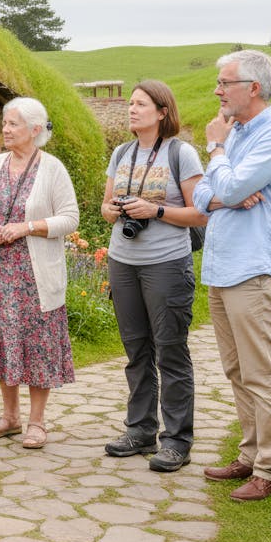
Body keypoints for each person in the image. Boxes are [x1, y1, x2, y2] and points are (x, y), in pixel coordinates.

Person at [192, 49, 271, 502]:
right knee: (237, 370)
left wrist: (217, 152)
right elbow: (204, 192)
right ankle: (250, 452)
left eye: (225, 83)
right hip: (224, 267)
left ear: (252, 89)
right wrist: (223, 193)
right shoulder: (238, 134)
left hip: (255, 269)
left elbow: (232, 184)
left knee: (261, 372)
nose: (217, 91)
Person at [100, 80, 207, 472]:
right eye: (130, 103)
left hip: (166, 264)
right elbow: (104, 207)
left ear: (162, 111)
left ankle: (177, 440)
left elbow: (200, 213)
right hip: (123, 260)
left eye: (141, 104)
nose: (131, 109)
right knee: (136, 350)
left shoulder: (182, 154)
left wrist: (155, 211)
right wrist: (114, 210)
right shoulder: (121, 153)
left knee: (171, 351)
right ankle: (140, 430)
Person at [0, 97, 80, 450]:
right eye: (4, 122)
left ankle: (36, 422)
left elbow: (70, 218)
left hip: (35, 276)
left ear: (34, 130)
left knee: (36, 344)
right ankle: (10, 416)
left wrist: (26, 227)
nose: (6, 129)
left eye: (13, 124)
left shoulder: (52, 168)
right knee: (4, 340)